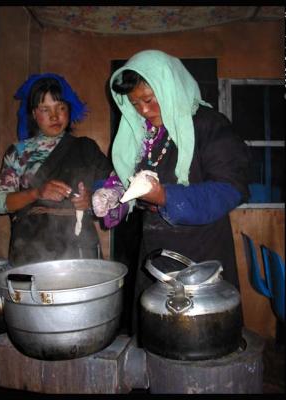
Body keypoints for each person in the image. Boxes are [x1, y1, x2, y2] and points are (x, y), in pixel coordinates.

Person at [92, 50, 250, 337]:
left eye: (149, 99)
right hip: (155, 254)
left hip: (203, 257)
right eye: (134, 103)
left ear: (170, 88)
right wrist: (114, 198)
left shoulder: (208, 125)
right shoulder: (142, 135)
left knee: (200, 338)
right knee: (159, 336)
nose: (143, 111)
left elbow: (230, 189)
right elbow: (127, 179)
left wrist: (166, 197)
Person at [0, 73, 112, 266]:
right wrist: (36, 193)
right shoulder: (18, 152)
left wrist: (92, 199)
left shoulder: (86, 148)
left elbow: (114, 191)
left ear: (69, 110)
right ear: (34, 114)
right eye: (45, 109)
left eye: (61, 107)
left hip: (80, 249)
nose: (54, 116)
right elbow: (0, 202)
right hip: (30, 249)